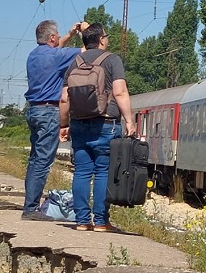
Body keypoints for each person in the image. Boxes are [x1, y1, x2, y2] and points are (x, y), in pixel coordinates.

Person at [59, 23, 135, 232]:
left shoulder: (74, 63)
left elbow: (64, 99)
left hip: (79, 123)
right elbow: (120, 92)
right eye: (106, 37)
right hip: (106, 122)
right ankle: (101, 221)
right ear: (101, 39)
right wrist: (129, 120)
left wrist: (63, 124)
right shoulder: (112, 60)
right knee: (103, 171)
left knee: (82, 171)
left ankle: (82, 221)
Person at [22, 19, 85, 221]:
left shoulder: (33, 55)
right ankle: (31, 209)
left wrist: (69, 34)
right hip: (49, 111)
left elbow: (56, 48)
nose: (59, 38)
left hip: (33, 111)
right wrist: (86, 30)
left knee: (35, 159)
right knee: (42, 161)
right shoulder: (57, 56)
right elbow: (88, 50)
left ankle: (30, 204)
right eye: (57, 35)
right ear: (51, 37)